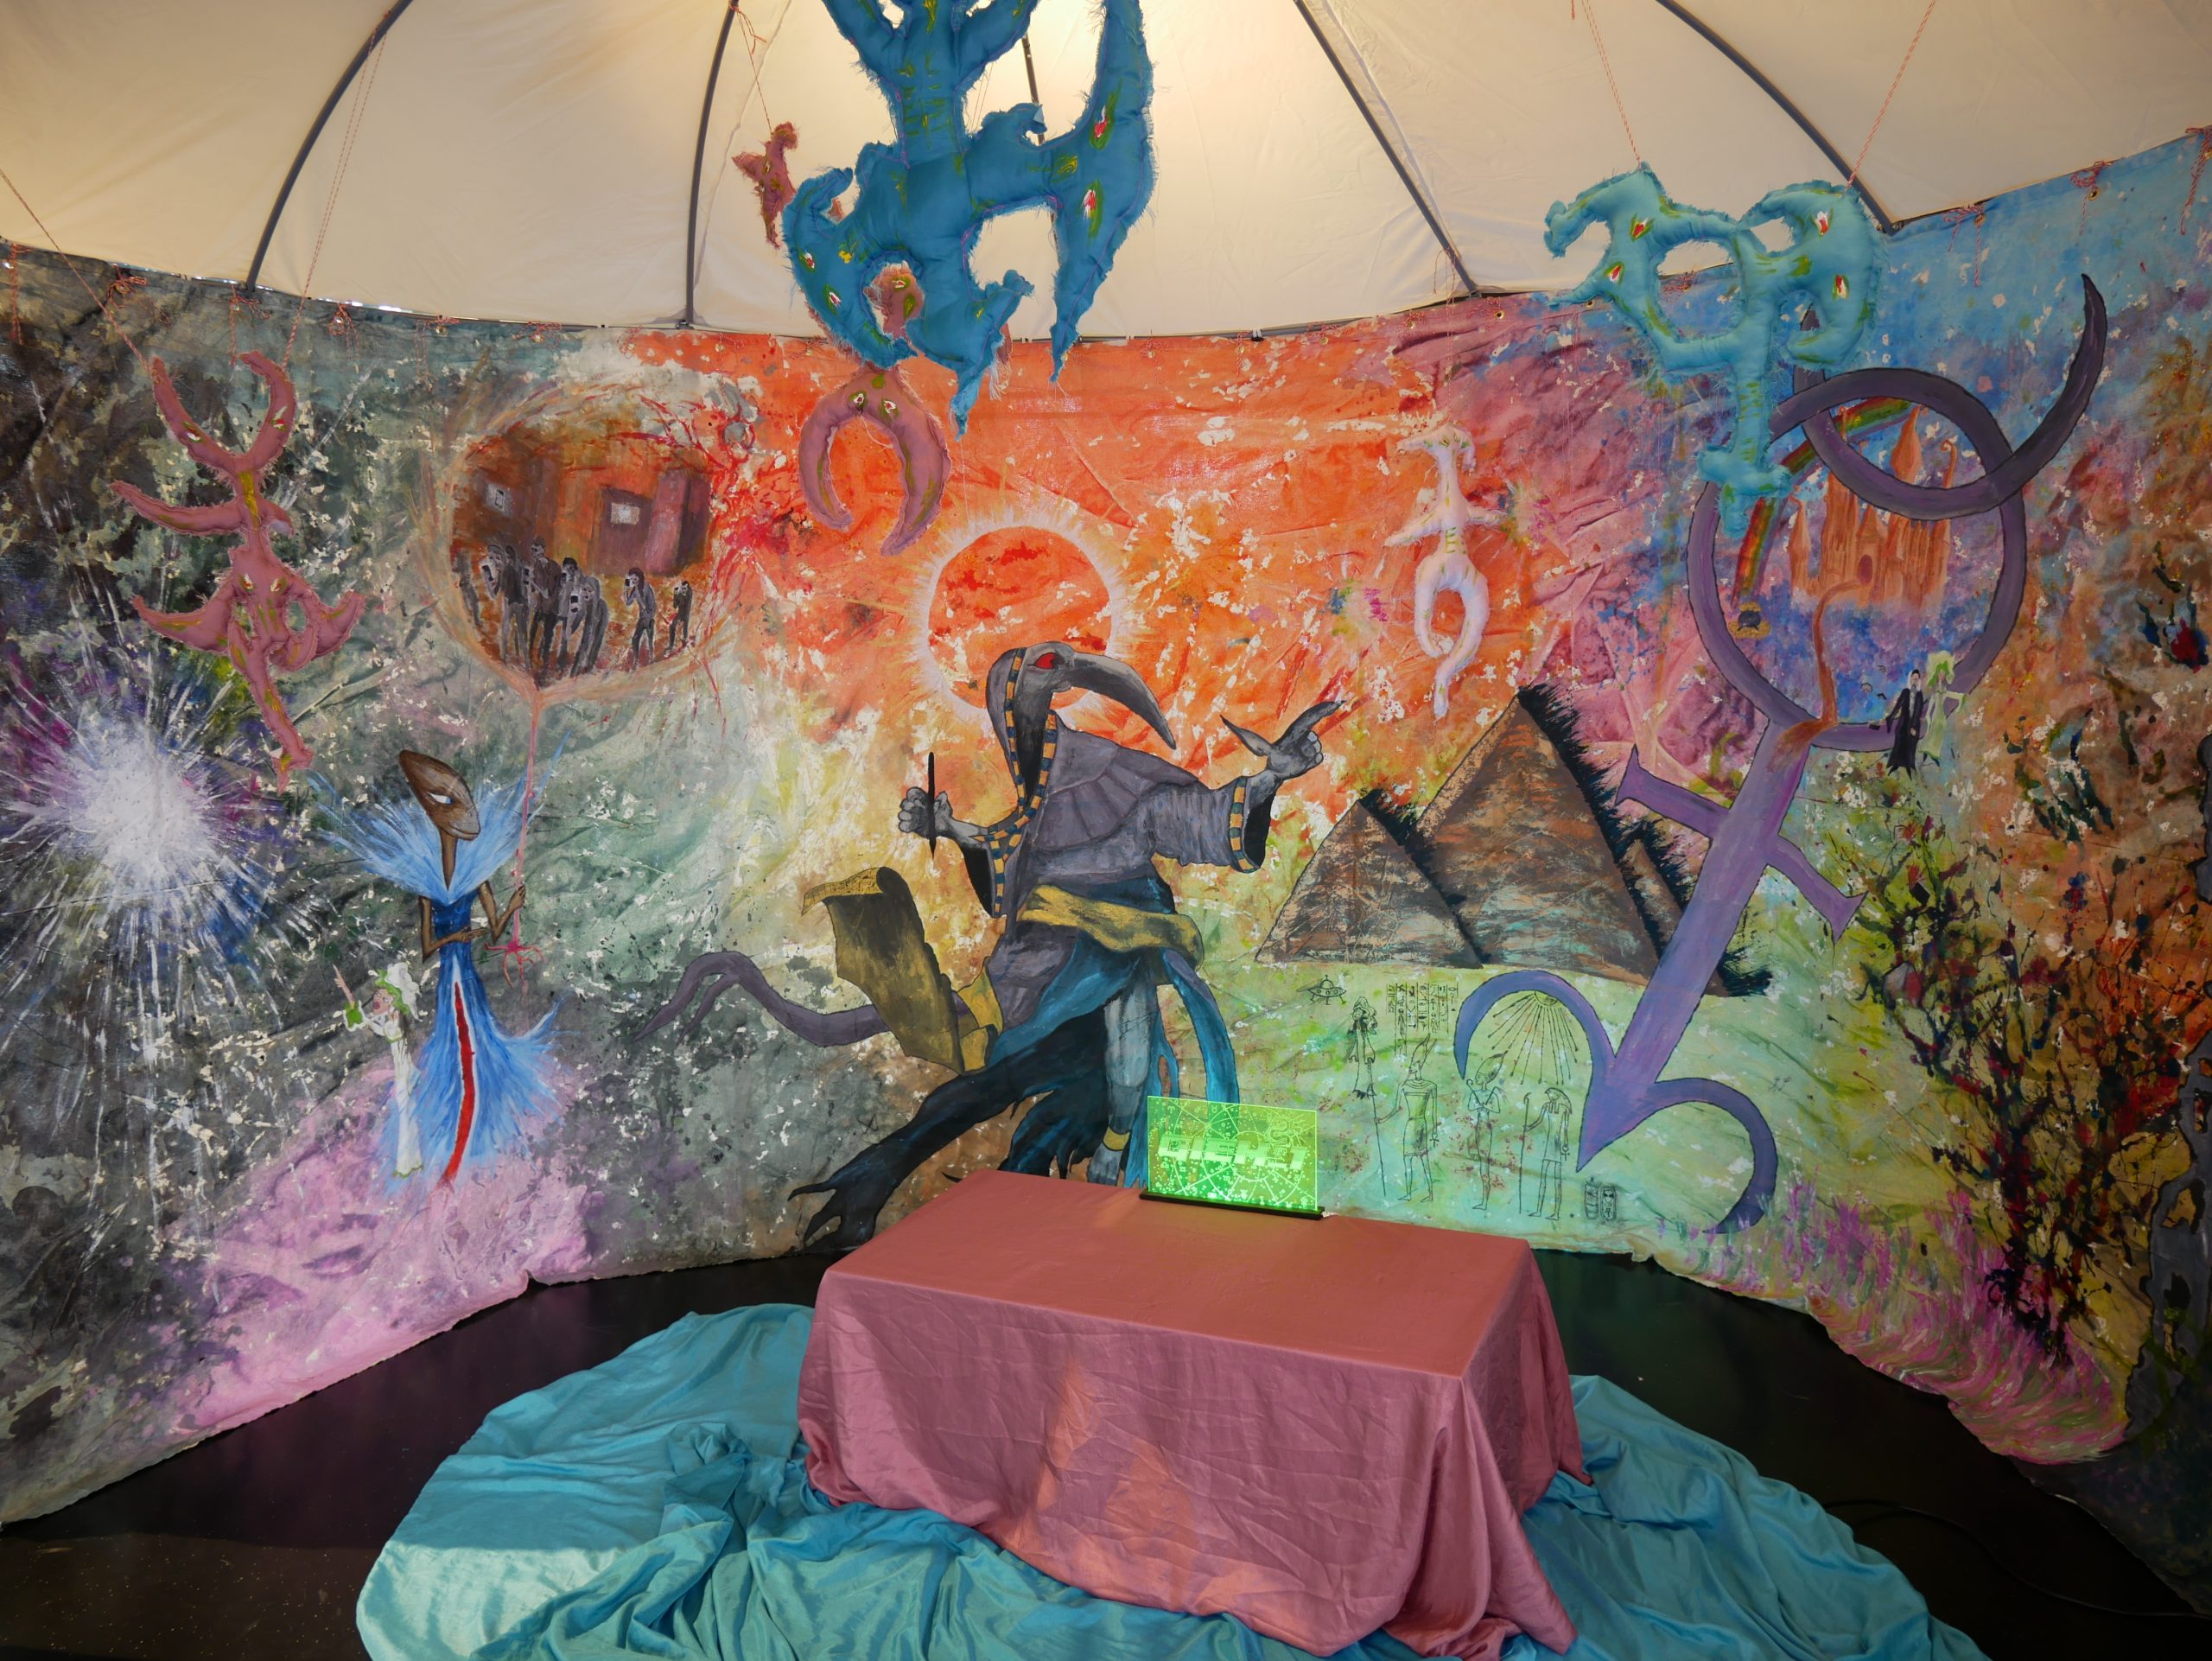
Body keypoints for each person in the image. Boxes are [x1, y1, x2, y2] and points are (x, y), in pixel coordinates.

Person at [324, 752, 554, 1185]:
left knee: (474, 1057)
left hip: (467, 984)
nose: (452, 827)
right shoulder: (427, 885)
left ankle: (463, 1151)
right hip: (451, 982)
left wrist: (511, 908)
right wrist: (457, 936)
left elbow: (495, 931)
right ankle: (449, 1154)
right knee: (463, 1059)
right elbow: (428, 947)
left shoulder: (477, 875)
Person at [1885, 665, 1929, 774]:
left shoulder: (1919, 695)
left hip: (1913, 724)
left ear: (1919, 681)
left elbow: (1918, 711)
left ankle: (1908, 767)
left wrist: (1913, 727)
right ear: (1910, 679)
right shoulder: (1905, 692)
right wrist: (1890, 717)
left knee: (1910, 746)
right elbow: (1898, 706)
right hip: (1903, 723)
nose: (1914, 680)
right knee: (1899, 743)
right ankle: (1895, 765)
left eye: (1916, 679)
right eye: (1913, 678)